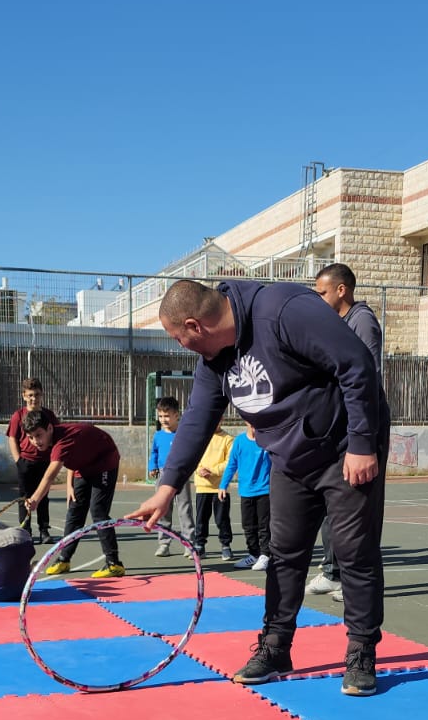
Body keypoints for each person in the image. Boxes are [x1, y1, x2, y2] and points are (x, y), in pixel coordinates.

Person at [130, 278, 389, 695]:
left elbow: (356, 363)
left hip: (344, 448)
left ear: (196, 325)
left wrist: (362, 442)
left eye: (179, 338)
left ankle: (361, 653)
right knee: (283, 553)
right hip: (288, 457)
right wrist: (168, 486)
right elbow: (197, 417)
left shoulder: (284, 310)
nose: (180, 347)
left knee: (354, 552)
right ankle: (275, 647)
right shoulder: (214, 359)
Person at [307, 264, 383, 600]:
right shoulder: (334, 325)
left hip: (359, 430)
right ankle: (332, 571)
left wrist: (361, 439)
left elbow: (366, 377)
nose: (318, 299)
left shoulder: (362, 320)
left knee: (356, 509)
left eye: (322, 292)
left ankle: (354, 581)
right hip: (336, 427)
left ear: (341, 290)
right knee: (331, 504)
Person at [21, 413, 125, 578]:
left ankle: (114, 563)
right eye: (31, 437)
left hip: (104, 461)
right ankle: (64, 559)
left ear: (49, 428)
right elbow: (73, 454)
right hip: (83, 465)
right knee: (75, 510)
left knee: (98, 510)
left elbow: (50, 475)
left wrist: (35, 499)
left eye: (38, 435)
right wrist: (69, 484)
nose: (36, 441)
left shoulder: (61, 442)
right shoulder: (54, 439)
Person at [7, 378, 58, 544]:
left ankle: (44, 530)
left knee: (43, 496)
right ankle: (25, 530)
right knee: (25, 498)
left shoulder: (48, 415)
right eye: (30, 395)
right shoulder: (18, 416)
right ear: (24, 396)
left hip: (45, 462)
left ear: (41, 395)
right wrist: (18, 460)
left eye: (36, 395)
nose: (33, 398)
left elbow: (57, 438)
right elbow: (12, 438)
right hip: (26, 462)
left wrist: (54, 459)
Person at [218, 422, 271, 571]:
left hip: (265, 491)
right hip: (246, 491)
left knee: (264, 526)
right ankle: (254, 554)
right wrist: (223, 485)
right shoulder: (239, 441)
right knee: (248, 526)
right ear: (247, 421)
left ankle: (265, 555)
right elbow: (231, 465)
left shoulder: (268, 441)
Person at [147, 397, 195, 556]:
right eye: (160, 416)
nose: (163, 419)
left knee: (185, 508)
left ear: (177, 415)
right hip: (163, 474)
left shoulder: (184, 434)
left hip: (181, 474)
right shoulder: (158, 435)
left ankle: (189, 544)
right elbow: (153, 453)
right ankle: (164, 544)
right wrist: (152, 466)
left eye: (167, 416)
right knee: (163, 510)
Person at [193, 421, 235, 561]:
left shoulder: (228, 439)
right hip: (202, 486)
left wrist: (213, 471)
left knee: (222, 518)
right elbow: (194, 457)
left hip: (220, 487)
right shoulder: (200, 438)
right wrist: (200, 470)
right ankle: (199, 545)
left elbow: (230, 462)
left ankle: (225, 546)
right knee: (201, 518)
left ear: (221, 419)